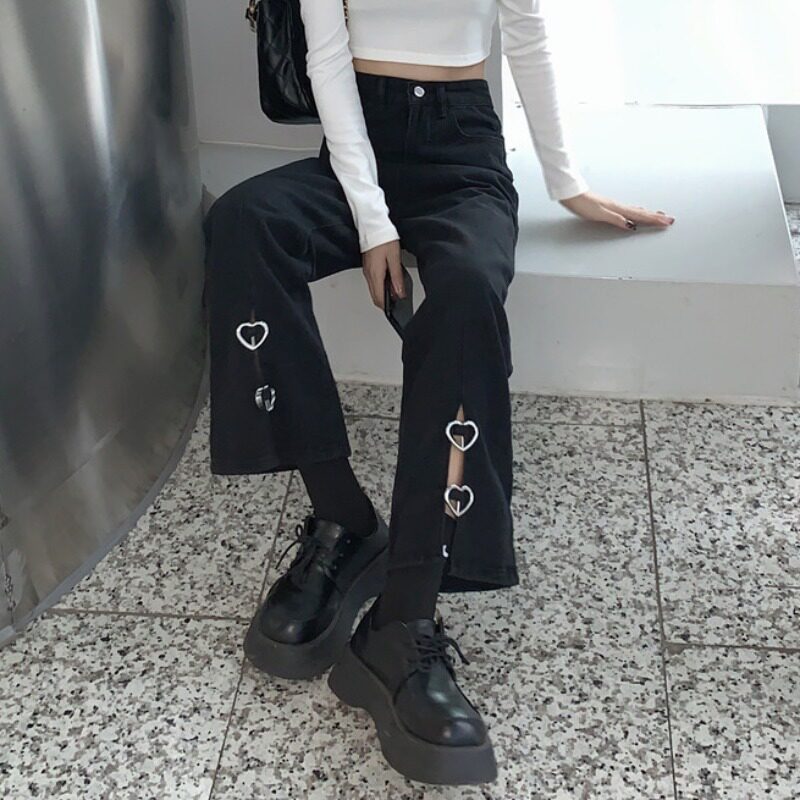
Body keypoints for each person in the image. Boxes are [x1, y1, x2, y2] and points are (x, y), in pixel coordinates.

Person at [203, 0, 674, 786]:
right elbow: (328, 60)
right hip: (357, 148)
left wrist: (568, 183)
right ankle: (346, 522)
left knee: (466, 295)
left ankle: (403, 618)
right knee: (244, 226)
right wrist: (374, 222)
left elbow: (526, 32)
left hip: (463, 155)